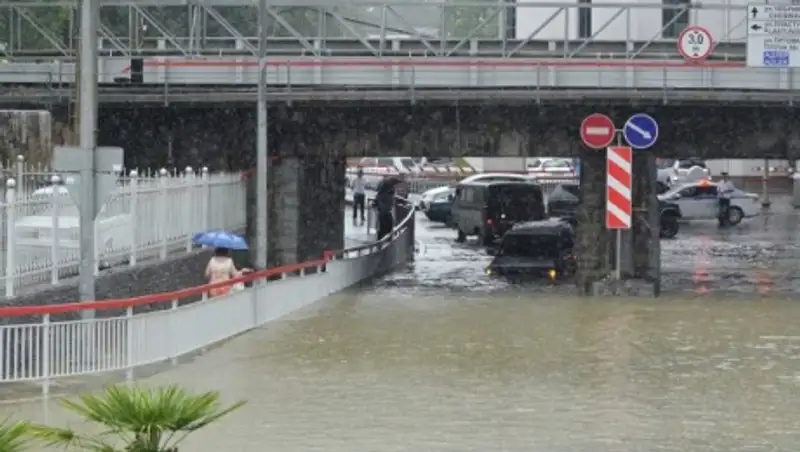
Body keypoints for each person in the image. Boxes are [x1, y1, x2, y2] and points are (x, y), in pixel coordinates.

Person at [374, 174, 404, 240]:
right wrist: (382, 206)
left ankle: (384, 241)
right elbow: (379, 199)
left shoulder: (390, 190)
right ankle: (381, 242)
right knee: (384, 227)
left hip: (386, 211)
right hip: (383, 212)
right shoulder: (385, 191)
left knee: (388, 226)